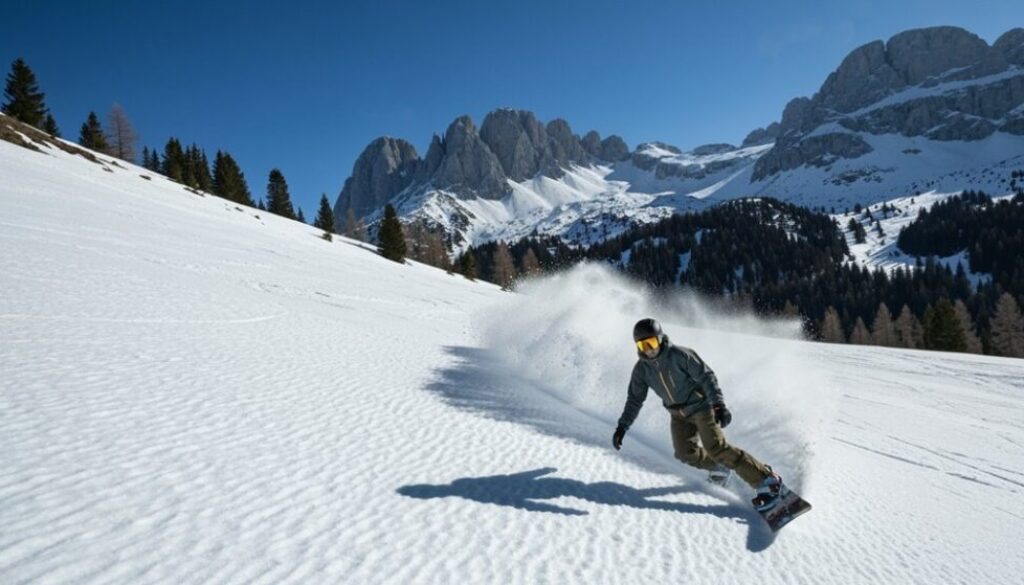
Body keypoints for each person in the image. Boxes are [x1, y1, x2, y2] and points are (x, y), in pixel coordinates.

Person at [612, 318, 784, 511]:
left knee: (716, 447)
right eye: (642, 345)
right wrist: (622, 426)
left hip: (702, 407)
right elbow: (635, 399)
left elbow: (706, 376)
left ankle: (767, 480)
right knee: (685, 453)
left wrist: (718, 404)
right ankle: (720, 468)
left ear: (660, 339)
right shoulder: (641, 370)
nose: (648, 349)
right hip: (677, 414)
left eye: (651, 343)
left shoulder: (679, 355)